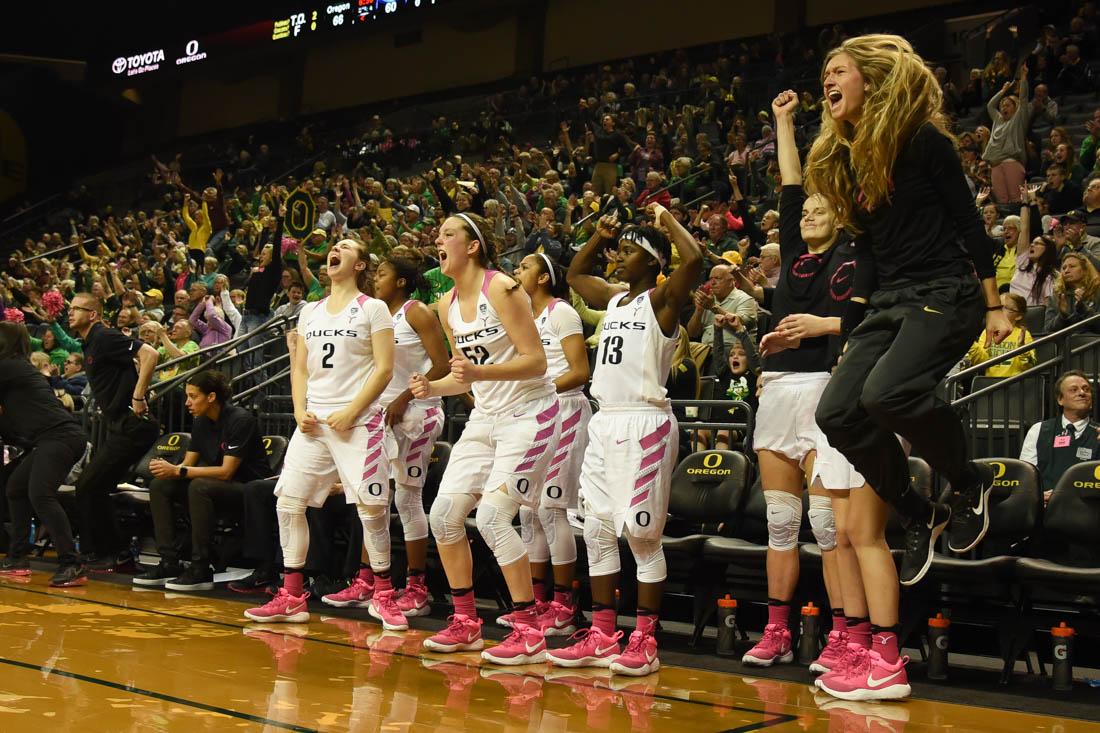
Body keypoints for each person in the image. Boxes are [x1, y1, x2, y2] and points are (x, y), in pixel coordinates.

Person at [805, 35, 1012, 698]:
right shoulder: (849, 159)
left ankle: (969, 479)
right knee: (837, 410)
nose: (827, 82)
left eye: (837, 72)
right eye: (824, 76)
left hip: (947, 291)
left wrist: (996, 302)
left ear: (870, 79)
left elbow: (970, 224)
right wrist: (856, 314)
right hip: (892, 300)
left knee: (889, 394)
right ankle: (919, 507)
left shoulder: (924, 140)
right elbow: (868, 251)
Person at [738, 90, 869, 678]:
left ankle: (843, 635)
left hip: (827, 387)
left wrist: (822, 325)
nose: (810, 213)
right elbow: (791, 182)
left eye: (821, 209)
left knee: (828, 527)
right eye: (806, 210)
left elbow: (876, 314)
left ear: (840, 217)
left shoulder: (856, 254)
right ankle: (777, 632)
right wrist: (782, 121)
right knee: (782, 524)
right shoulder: (791, 248)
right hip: (779, 389)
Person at [553, 201, 702, 676]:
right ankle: (601, 633)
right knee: (596, 530)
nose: (620, 252)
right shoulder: (615, 299)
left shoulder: (661, 300)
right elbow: (576, 274)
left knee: (640, 534)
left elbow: (695, 260)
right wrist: (598, 235)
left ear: (655, 261)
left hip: (646, 422)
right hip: (605, 421)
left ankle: (645, 638)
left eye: (631, 248)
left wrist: (666, 222)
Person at [409, 212, 560, 665]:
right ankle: (466, 622)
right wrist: (433, 388)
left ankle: (530, 630)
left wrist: (477, 374)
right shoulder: (445, 304)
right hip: (487, 418)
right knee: (443, 518)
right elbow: (463, 375)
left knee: (494, 518)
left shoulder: (502, 288)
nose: (438, 239)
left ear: (472, 245)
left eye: (447, 233)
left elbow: (536, 362)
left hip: (531, 412)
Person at [244, 238, 395, 626]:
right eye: (335, 245)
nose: (336, 249)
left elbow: (384, 369)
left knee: (372, 510)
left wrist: (352, 410)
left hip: (359, 421)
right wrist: (299, 411)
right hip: (314, 422)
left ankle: (383, 594)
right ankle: (292, 595)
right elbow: (300, 368)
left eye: (345, 247)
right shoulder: (309, 311)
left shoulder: (373, 308)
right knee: (288, 504)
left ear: (360, 265)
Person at [320, 253, 449, 620]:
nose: (376, 279)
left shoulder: (415, 311)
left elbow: (441, 364)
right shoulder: (373, 314)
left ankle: (418, 588)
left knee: (407, 500)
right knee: (372, 499)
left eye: (383, 273)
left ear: (402, 282)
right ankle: (369, 582)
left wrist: (405, 397)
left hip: (418, 412)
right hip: (382, 415)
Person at [507, 252, 592, 636]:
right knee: (528, 509)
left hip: (566, 409)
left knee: (551, 508)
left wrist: (537, 389)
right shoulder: (521, 317)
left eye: (524, 267)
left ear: (543, 277)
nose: (516, 272)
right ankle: (538, 601)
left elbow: (579, 371)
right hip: (536, 413)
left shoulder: (562, 313)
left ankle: (564, 605)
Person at [132, 370, 269, 591]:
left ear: (211, 397)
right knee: (161, 485)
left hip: (248, 489)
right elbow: (188, 464)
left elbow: (226, 471)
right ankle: (169, 561)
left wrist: (179, 471)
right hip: (217, 487)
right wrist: (169, 470)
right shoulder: (200, 422)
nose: (187, 402)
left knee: (198, 486)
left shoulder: (241, 420)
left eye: (193, 396)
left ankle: (201, 567)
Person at [67, 291, 161, 572]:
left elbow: (150, 353)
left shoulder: (104, 337)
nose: (70, 313)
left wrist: (138, 395)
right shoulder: (89, 343)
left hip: (133, 425)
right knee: (94, 486)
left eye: (76, 309)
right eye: (69, 308)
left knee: (88, 485)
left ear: (93, 314)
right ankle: (113, 552)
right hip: (118, 425)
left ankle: (113, 552)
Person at [0, 322, 88, 587]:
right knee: (16, 488)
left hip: (61, 436)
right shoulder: (14, 368)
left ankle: (72, 563)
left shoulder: (10, 366)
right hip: (50, 438)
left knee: (40, 494)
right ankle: (17, 557)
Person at [1020, 371, 1097, 502]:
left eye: (1086, 389)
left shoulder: (1098, 432)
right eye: (1074, 389)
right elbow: (1026, 475)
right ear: (1060, 399)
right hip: (1045, 507)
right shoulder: (1039, 430)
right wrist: (1038, 495)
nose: (1082, 393)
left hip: (1090, 508)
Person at [982, 63, 1030, 204]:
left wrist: (1023, 78)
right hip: (995, 165)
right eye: (1002, 105)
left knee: (1016, 200)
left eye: (1008, 105)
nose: (1004, 107)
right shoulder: (998, 120)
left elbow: (1023, 100)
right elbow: (990, 106)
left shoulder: (1017, 120)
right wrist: (1003, 91)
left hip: (1011, 162)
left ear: (1015, 108)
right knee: (1001, 202)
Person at [966, 293, 1035, 376]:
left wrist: (1022, 348)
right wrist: (969, 341)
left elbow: (1028, 367)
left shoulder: (1024, 334)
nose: (998, 311)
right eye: (998, 306)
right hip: (990, 384)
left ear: (1018, 316)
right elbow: (981, 362)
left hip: (1015, 383)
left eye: (1004, 307)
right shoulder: (988, 331)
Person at [1044, 252, 1100, 333]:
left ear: (1085, 270)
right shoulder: (1057, 297)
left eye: (1072, 266)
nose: (1066, 271)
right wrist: (1062, 315)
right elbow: (1047, 331)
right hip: (1065, 343)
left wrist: (1083, 309)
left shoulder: (1097, 292)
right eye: (1064, 268)